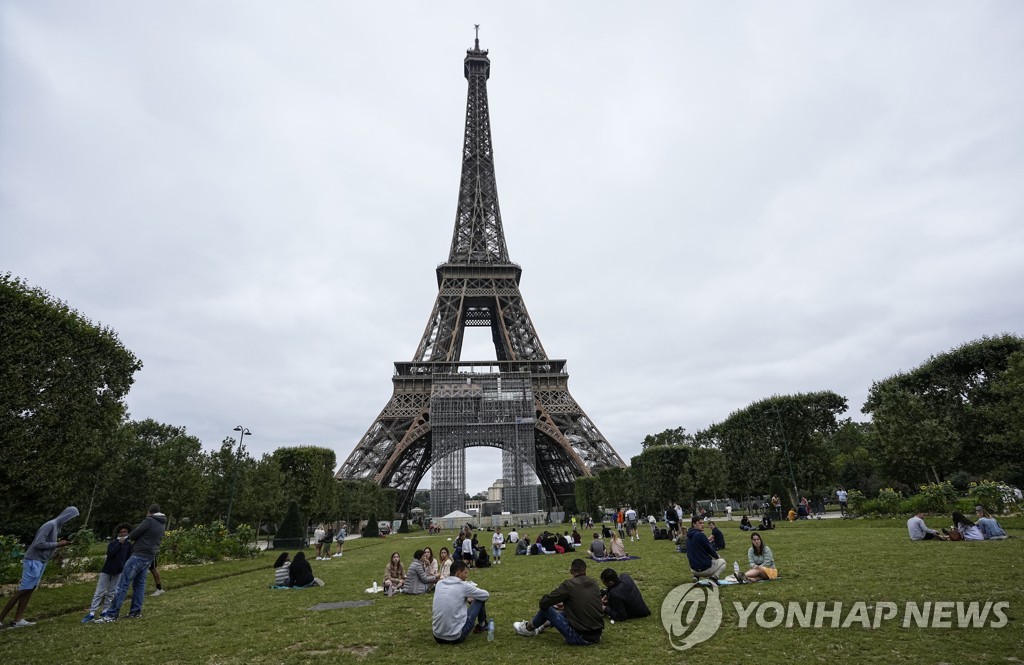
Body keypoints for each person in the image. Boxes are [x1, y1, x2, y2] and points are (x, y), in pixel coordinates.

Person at [0, 506, 78, 629]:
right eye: (71, 518)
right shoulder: (50, 525)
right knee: (23, 589)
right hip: (33, 560)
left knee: (30, 589)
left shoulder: (57, 527)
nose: (70, 521)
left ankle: (17, 620)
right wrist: (58, 544)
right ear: (66, 516)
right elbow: (38, 544)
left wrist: (60, 544)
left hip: (41, 561)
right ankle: (1, 618)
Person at [96, 504, 167, 622]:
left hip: (138, 555)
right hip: (149, 557)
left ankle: (112, 614)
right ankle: (135, 612)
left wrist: (125, 538)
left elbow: (134, 534)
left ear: (149, 512)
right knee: (139, 585)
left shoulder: (149, 520)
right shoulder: (162, 523)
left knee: (122, 585)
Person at [513, 558, 604, 645]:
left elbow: (544, 603)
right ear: (585, 570)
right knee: (566, 611)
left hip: (579, 637)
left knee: (547, 609)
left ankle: (528, 629)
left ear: (571, 571)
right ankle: (543, 625)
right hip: (597, 635)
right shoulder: (594, 583)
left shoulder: (569, 585)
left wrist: (560, 601)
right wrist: (566, 604)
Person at [83, 523, 133, 622]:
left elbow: (128, 557)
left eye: (125, 532)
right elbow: (110, 554)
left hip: (119, 571)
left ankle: (105, 610)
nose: (123, 534)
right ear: (118, 533)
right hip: (107, 570)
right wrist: (119, 543)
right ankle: (92, 612)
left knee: (112, 592)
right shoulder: (113, 543)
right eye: (121, 532)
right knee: (100, 591)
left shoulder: (129, 545)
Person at [432, 559, 490, 644]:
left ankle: (481, 625)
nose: (466, 576)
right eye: (465, 573)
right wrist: (470, 596)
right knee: (479, 599)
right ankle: (482, 625)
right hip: (456, 637)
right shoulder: (464, 586)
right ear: (458, 573)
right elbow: (486, 595)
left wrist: (466, 597)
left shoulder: (439, 584)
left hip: (437, 636)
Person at [686, 516, 726, 583]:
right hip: (704, 569)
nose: (702, 525)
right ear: (694, 524)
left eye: (703, 523)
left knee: (697, 557)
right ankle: (713, 578)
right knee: (723, 562)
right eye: (700, 523)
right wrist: (717, 556)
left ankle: (695, 576)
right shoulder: (700, 535)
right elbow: (710, 549)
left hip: (693, 569)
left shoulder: (688, 537)